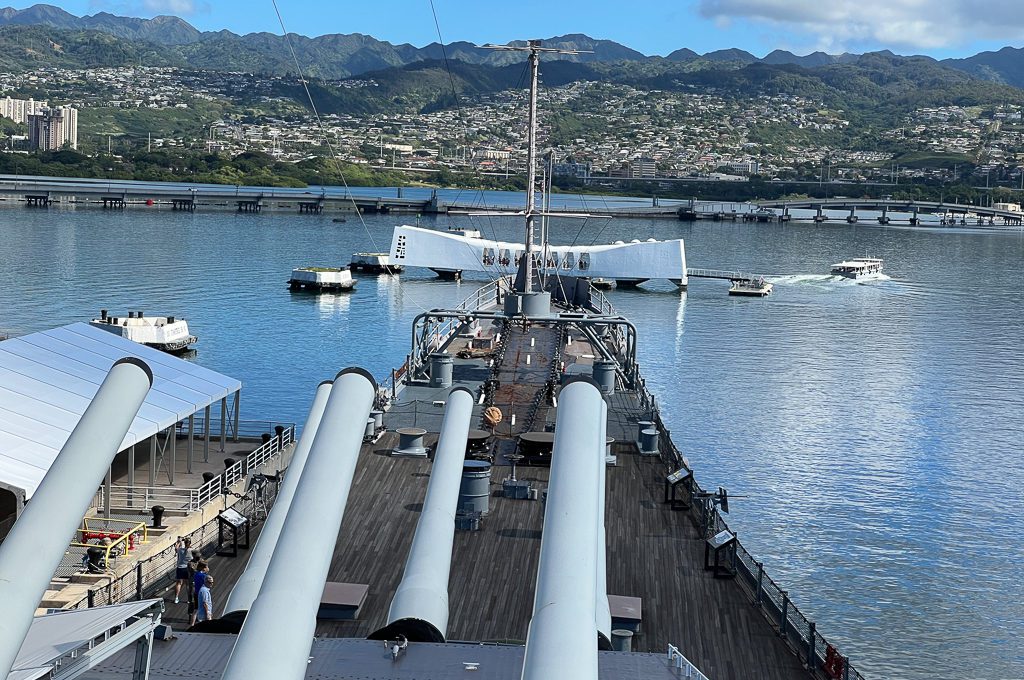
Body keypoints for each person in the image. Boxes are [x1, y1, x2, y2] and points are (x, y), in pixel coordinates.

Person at [191, 560, 209, 625]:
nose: (208, 568)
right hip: (202, 594)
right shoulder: (204, 576)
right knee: (205, 609)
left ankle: (192, 625)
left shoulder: (196, 574)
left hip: (196, 593)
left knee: (195, 610)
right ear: (204, 568)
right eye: (207, 567)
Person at [173, 537, 191, 604]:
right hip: (187, 568)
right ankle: (189, 599)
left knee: (178, 583)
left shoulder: (180, 550)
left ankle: (176, 598)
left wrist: (179, 542)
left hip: (180, 568)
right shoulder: (191, 550)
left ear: (184, 543)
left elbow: (176, 549)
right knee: (187, 584)